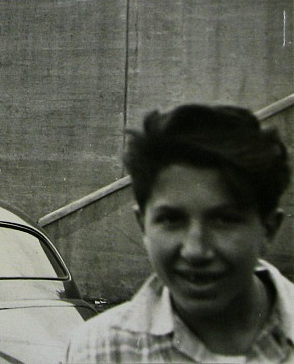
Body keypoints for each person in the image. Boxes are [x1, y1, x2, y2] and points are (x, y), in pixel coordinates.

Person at [65, 103, 293, 363]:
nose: (196, 250)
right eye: (172, 219)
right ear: (143, 225)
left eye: (224, 220)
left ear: (268, 229)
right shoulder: (100, 350)